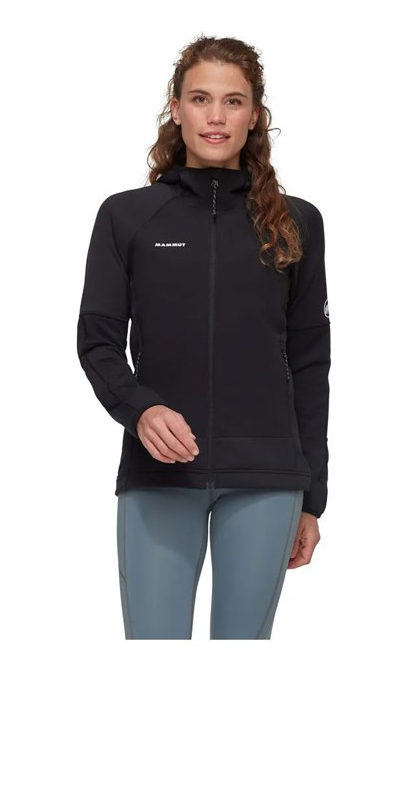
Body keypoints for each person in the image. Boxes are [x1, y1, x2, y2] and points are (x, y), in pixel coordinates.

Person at [77, 36, 331, 639]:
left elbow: (311, 361)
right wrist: (141, 410)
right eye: (200, 99)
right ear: (176, 108)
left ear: (255, 115)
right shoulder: (127, 216)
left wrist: (312, 498)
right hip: (161, 471)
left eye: (233, 101)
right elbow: (98, 339)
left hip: (267, 479)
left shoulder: (296, 221)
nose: (216, 116)